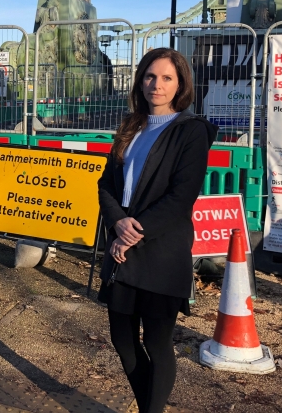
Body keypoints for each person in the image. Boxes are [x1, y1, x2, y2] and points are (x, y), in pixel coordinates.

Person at [97, 48, 217, 413]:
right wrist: (118, 222)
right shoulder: (131, 125)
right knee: (123, 340)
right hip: (123, 246)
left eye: (166, 78)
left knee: (158, 343)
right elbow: (105, 184)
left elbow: (182, 196)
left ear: (181, 83)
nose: (157, 85)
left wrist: (132, 232)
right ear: (140, 80)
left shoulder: (191, 132)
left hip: (162, 251)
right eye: (150, 76)